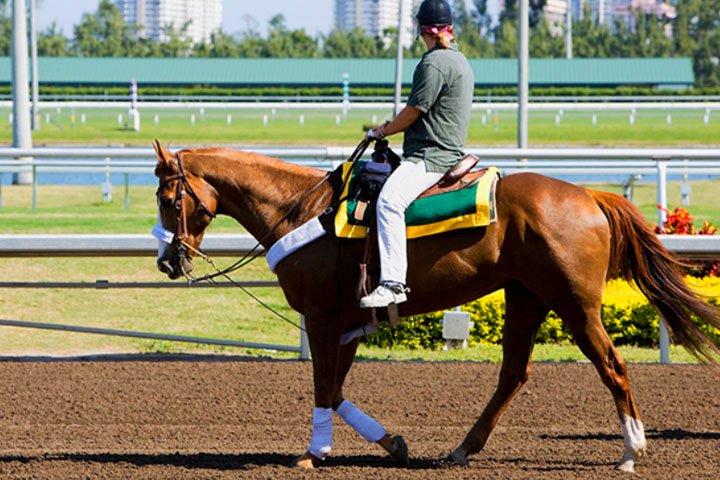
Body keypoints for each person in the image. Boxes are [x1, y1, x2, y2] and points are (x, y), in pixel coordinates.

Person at [359, 0, 475, 309]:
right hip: (446, 150)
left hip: (431, 157)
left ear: (423, 30)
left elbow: (413, 112)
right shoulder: (460, 59)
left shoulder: (433, 63)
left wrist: (382, 131)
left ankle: (393, 283)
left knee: (388, 203)